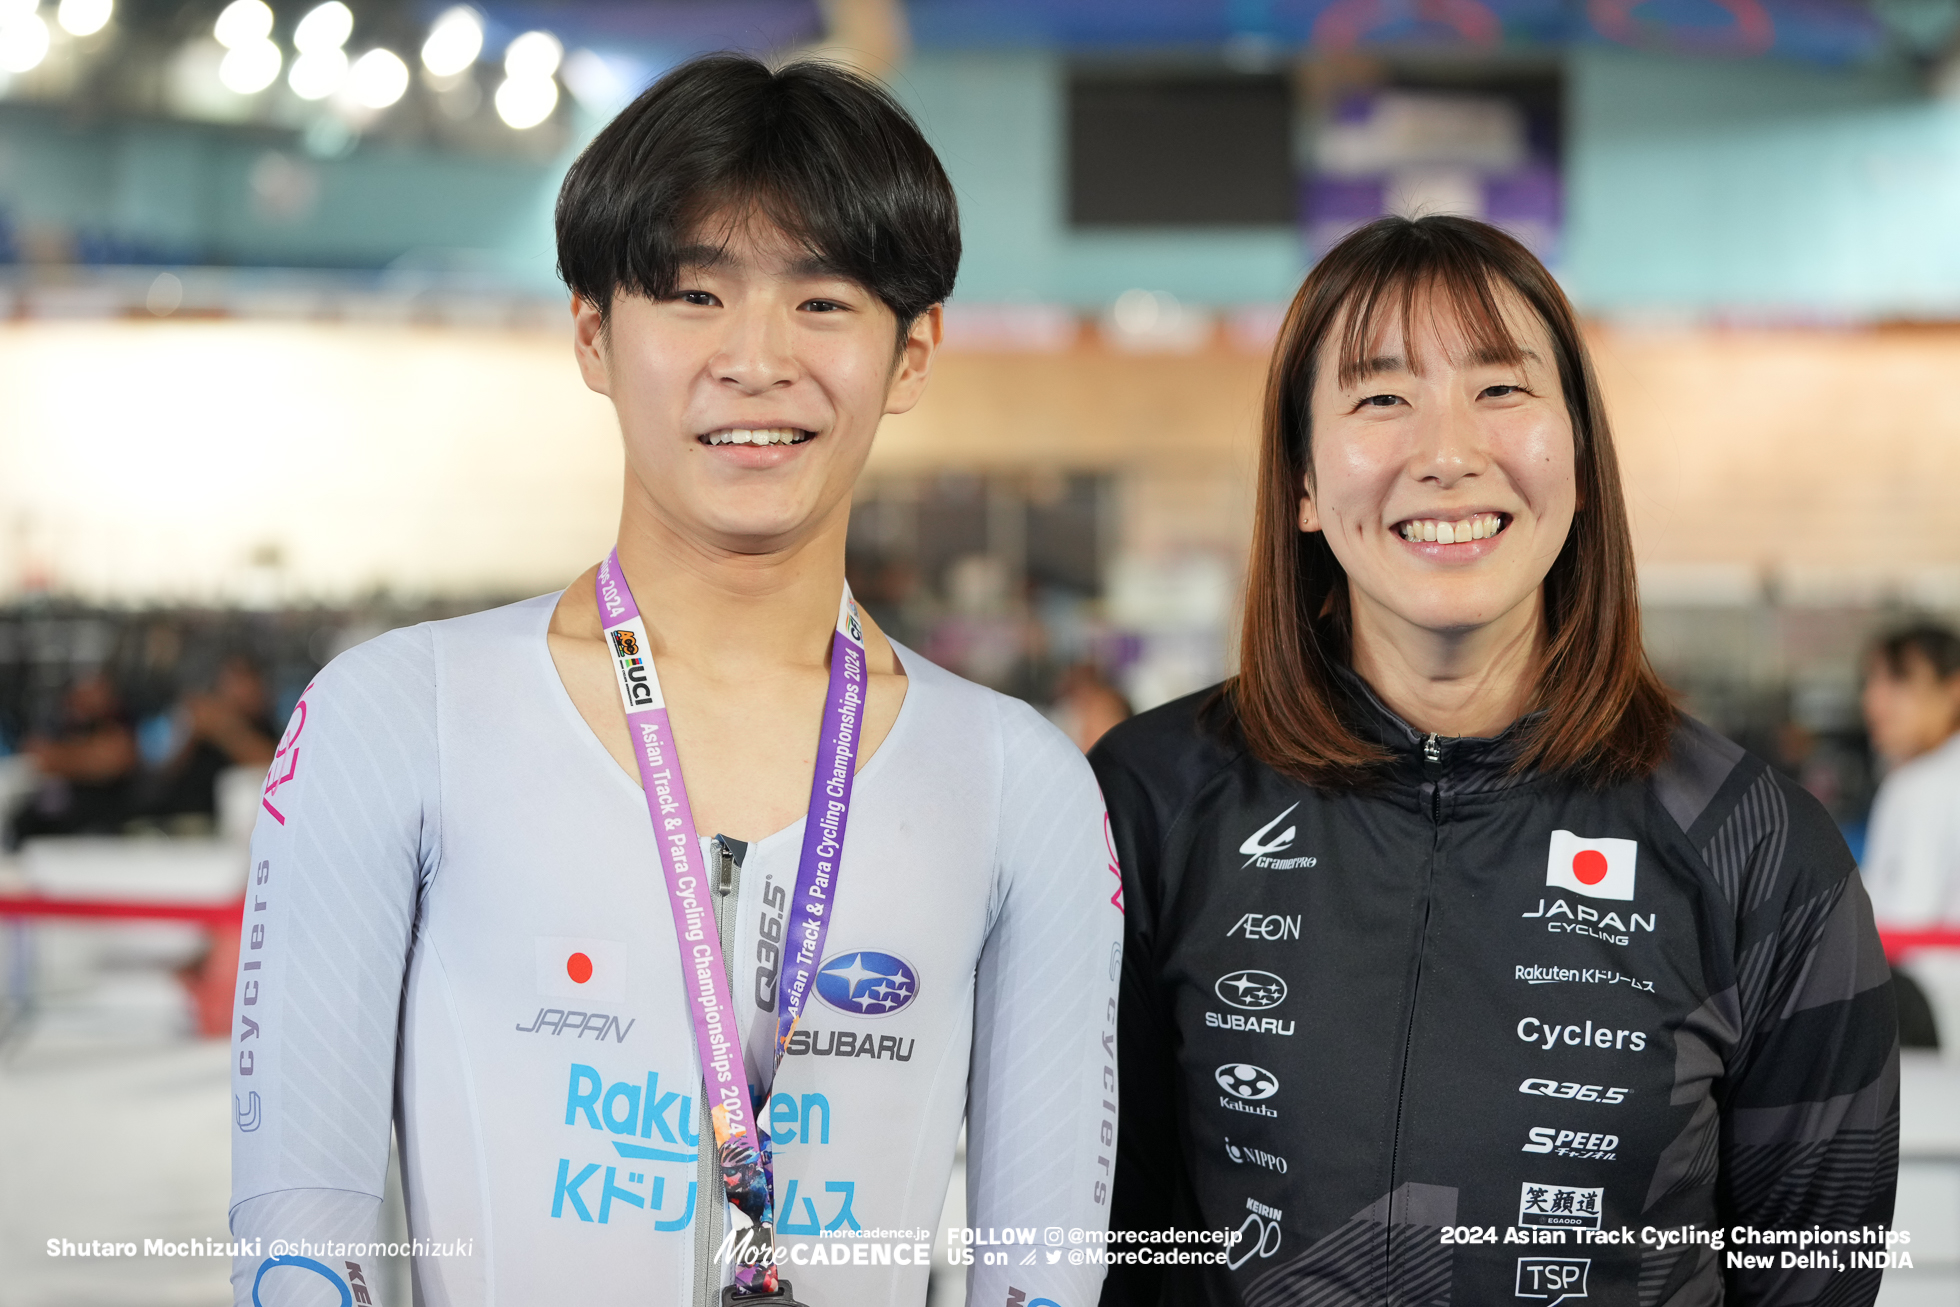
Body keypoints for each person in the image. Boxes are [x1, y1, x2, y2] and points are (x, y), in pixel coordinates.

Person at [229, 57, 1121, 1307]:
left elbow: (1046, 1270)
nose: (754, 360)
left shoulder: (1018, 781)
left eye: (822, 303)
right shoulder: (395, 720)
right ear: (594, 333)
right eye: (693, 293)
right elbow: (298, 1238)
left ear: (912, 352)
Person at [1092, 216, 1897, 1307]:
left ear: (1575, 449)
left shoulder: (1754, 847)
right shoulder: (1154, 798)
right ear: (1300, 482)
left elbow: (1815, 1276)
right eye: (1380, 397)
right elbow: (1103, 1239)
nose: (1447, 451)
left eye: (1500, 389)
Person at [1860, 623, 1960, 1047]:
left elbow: (1899, 921)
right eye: (1871, 681)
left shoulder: (1923, 783)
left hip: (1930, 1006)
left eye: (1899, 680)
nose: (1875, 700)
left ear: (1953, 688)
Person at [5, 672, 138, 847]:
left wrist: (63, 758)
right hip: (44, 831)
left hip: (94, 833)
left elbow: (111, 759)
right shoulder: (62, 725)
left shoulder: (120, 725)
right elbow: (36, 753)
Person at [148, 655, 278, 823]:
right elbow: (160, 775)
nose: (238, 691)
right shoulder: (196, 721)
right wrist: (189, 732)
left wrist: (224, 728)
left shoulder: (265, 727)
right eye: (232, 681)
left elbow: (272, 766)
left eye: (244, 681)